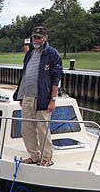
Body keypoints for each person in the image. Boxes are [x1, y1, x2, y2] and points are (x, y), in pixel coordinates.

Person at [13, 26, 63, 167]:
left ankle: (47, 158)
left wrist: (52, 100)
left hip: (42, 98)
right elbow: (25, 75)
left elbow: (56, 77)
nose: (36, 39)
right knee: (26, 129)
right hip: (27, 97)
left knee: (42, 129)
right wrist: (21, 96)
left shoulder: (52, 54)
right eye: (34, 37)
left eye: (39, 37)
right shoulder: (29, 53)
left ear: (45, 38)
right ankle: (34, 156)